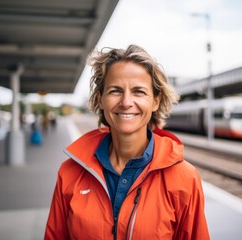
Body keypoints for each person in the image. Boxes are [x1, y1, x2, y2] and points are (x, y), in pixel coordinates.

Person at [45, 45, 210, 239]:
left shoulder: (184, 178)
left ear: (155, 101)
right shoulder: (70, 173)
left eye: (139, 91)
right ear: (100, 99)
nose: (126, 102)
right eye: (115, 90)